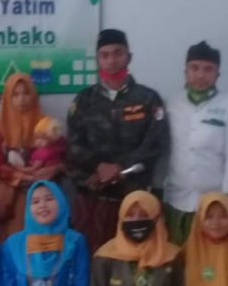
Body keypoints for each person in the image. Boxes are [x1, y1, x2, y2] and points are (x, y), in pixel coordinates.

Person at [67, 29, 170, 252]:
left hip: (136, 204)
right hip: (94, 204)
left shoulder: (148, 98)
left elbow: (155, 143)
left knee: (136, 262)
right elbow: (74, 145)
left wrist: (121, 169)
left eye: (118, 53)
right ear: (97, 60)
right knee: (95, 262)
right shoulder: (84, 100)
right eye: (105, 55)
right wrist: (98, 166)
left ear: (129, 57)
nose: (111, 61)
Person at [160, 41, 228, 244]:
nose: (200, 75)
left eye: (208, 69)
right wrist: (157, 189)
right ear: (185, 72)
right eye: (194, 68)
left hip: (215, 204)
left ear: (217, 74)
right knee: (178, 255)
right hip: (176, 199)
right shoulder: (171, 104)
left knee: (210, 259)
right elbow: (164, 151)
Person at [0, 73, 54, 239]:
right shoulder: (0, 127)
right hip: (14, 198)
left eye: (26, 93)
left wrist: (53, 169)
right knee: (17, 241)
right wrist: (22, 176)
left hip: (43, 194)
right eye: (16, 94)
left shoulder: (46, 125)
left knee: (43, 239)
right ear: (8, 98)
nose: (21, 99)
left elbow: (60, 156)